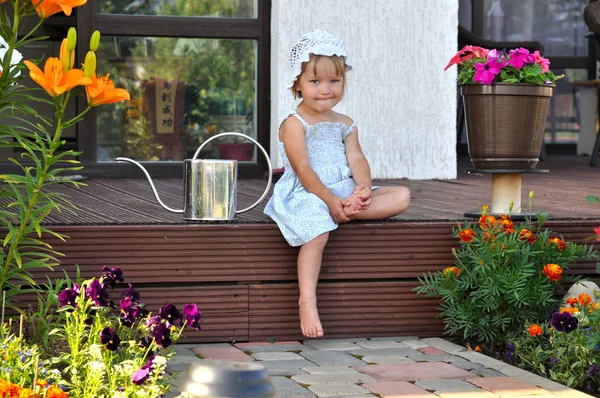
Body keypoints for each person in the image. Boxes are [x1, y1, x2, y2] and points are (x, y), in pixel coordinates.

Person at [264, 30, 410, 338]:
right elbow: (302, 168)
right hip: (306, 192)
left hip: (341, 190)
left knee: (401, 196)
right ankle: (307, 298)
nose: (325, 89)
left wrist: (364, 186)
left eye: (334, 81)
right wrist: (330, 200)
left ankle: (349, 208)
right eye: (315, 82)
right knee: (317, 231)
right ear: (297, 84)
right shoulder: (294, 123)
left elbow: (357, 159)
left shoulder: (345, 123)